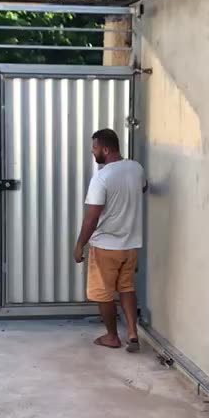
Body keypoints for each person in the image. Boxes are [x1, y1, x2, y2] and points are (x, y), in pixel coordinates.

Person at [74, 128, 147, 352]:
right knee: (127, 287)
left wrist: (79, 245)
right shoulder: (136, 168)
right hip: (130, 245)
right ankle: (132, 333)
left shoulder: (102, 177)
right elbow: (144, 187)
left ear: (105, 149)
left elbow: (92, 217)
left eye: (94, 147)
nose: (92, 151)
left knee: (103, 293)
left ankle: (112, 337)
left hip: (105, 246)